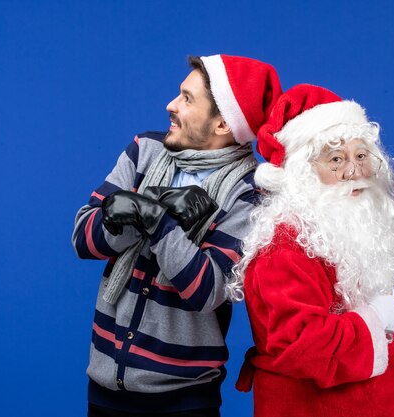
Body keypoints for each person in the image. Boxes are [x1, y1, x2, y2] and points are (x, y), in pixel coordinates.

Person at [228, 84, 394, 417]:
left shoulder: (358, 212)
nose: (354, 171)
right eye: (336, 160)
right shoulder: (283, 247)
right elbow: (304, 345)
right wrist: (375, 319)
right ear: (303, 174)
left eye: (361, 155)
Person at [72, 54, 282, 417]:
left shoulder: (250, 194)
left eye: (187, 99)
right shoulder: (145, 151)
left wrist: (157, 223)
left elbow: (206, 290)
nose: (171, 105)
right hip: (105, 388)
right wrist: (150, 206)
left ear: (221, 123)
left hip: (184, 400)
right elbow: (83, 239)